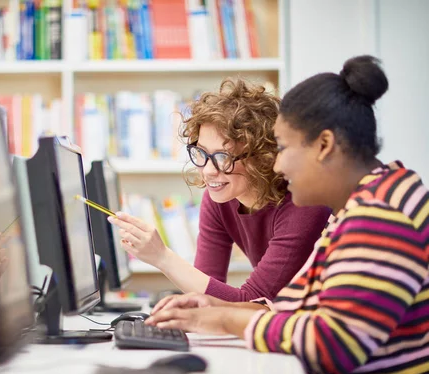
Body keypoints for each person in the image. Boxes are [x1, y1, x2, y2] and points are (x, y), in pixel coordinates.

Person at [146, 55, 429, 374]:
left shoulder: (380, 216)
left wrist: (223, 320)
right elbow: (299, 308)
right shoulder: (366, 202)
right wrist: (217, 309)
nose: (276, 164)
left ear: (323, 146)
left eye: (282, 148)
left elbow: (330, 346)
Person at [109, 78, 331, 301]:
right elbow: (207, 292)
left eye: (223, 157)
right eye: (202, 153)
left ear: (263, 157)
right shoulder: (219, 200)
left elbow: (254, 301)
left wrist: (163, 257)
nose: (208, 171)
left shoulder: (304, 204)